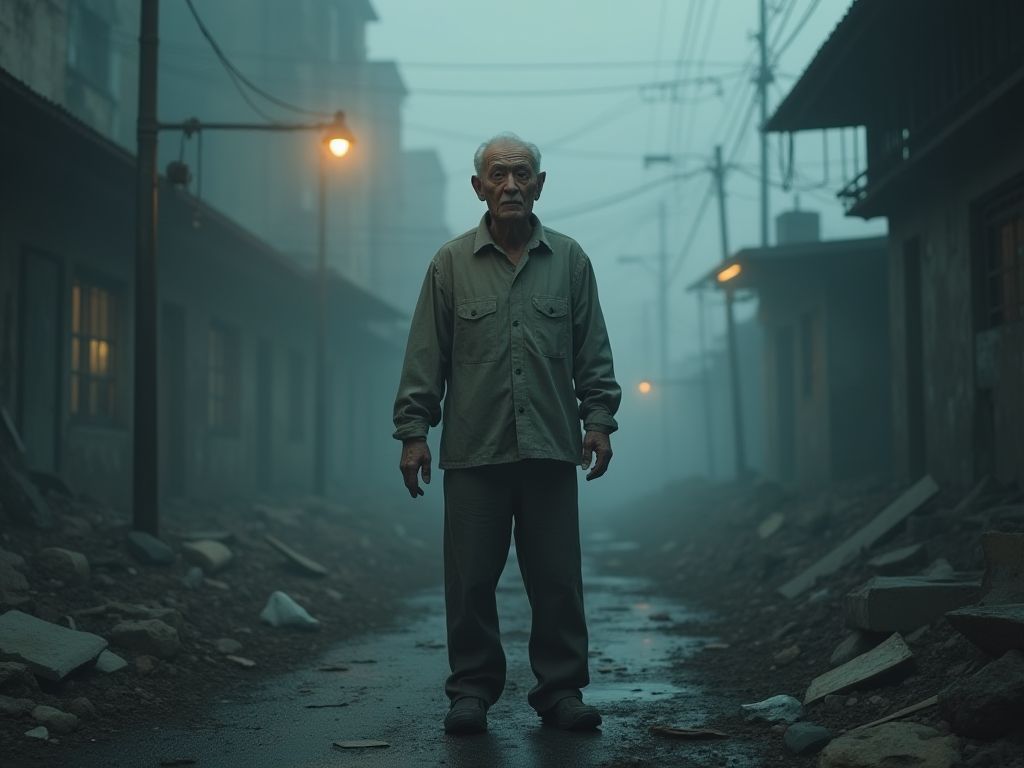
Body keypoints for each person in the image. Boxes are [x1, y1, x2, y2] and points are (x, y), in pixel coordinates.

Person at [392, 133, 621, 735]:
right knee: (469, 583)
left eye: (522, 174)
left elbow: (592, 351)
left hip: (549, 448)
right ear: (479, 188)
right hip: (474, 451)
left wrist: (598, 420)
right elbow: (426, 355)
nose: (511, 185)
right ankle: (470, 692)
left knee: (557, 580)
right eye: (499, 175)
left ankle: (561, 692)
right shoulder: (450, 264)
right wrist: (413, 432)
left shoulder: (570, 261)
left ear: (540, 185)